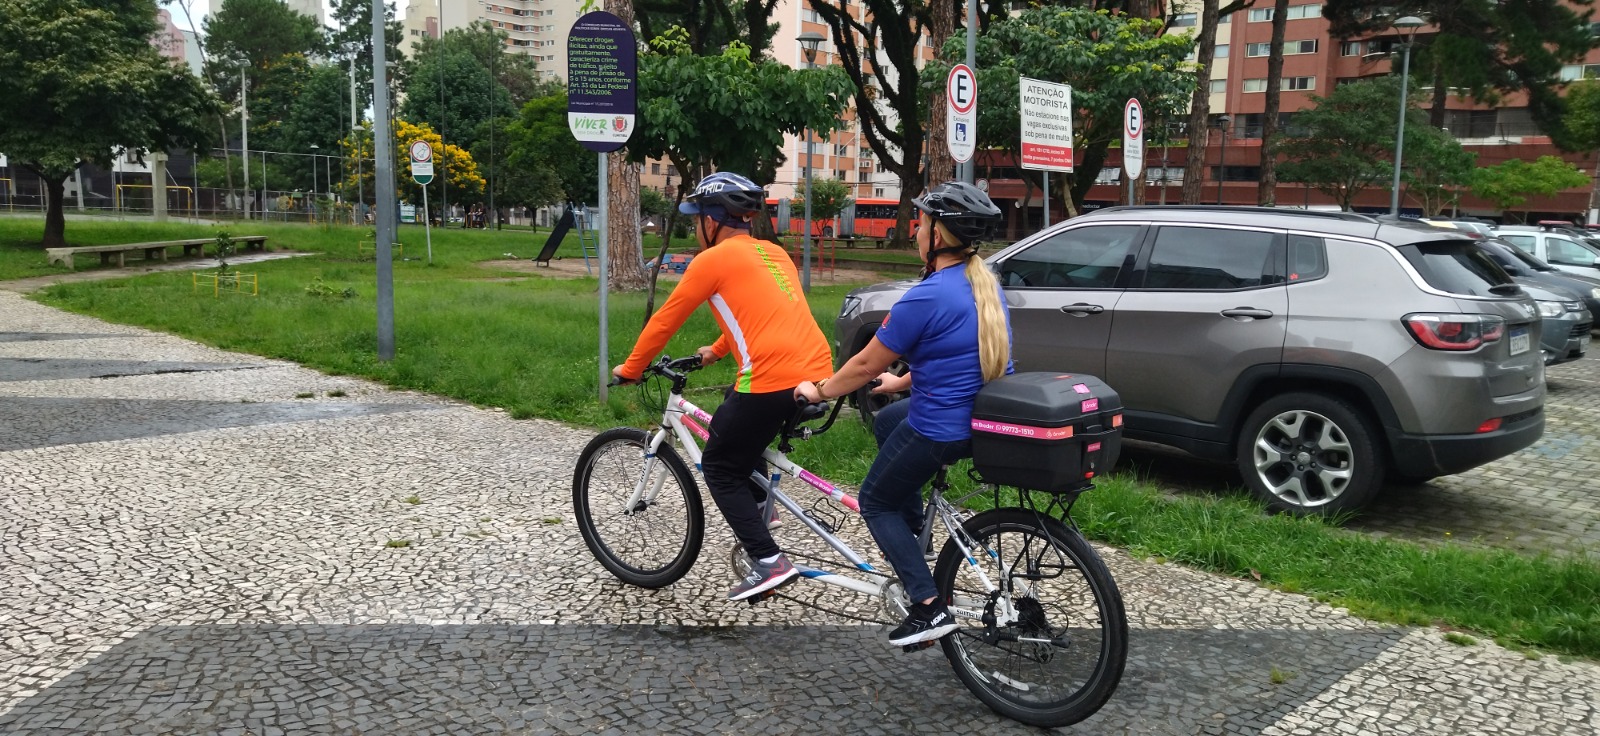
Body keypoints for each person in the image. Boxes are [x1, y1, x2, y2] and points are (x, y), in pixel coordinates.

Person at [796, 181, 1008, 646]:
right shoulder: (983, 284)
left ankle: (929, 607)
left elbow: (866, 363)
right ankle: (914, 529)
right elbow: (954, 355)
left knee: (875, 501)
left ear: (938, 236)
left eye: (922, 223)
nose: (915, 231)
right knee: (891, 419)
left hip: (942, 427)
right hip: (975, 414)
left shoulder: (925, 295)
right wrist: (902, 382)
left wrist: (819, 391)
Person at [612, 171, 834, 601]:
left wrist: (633, 368)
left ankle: (768, 561)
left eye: (697, 219)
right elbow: (765, 315)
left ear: (712, 221)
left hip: (773, 378)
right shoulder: (774, 253)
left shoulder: (710, 261)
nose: (696, 228)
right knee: (737, 420)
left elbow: (664, 321)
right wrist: (716, 349)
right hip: (817, 372)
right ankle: (759, 512)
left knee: (719, 464)